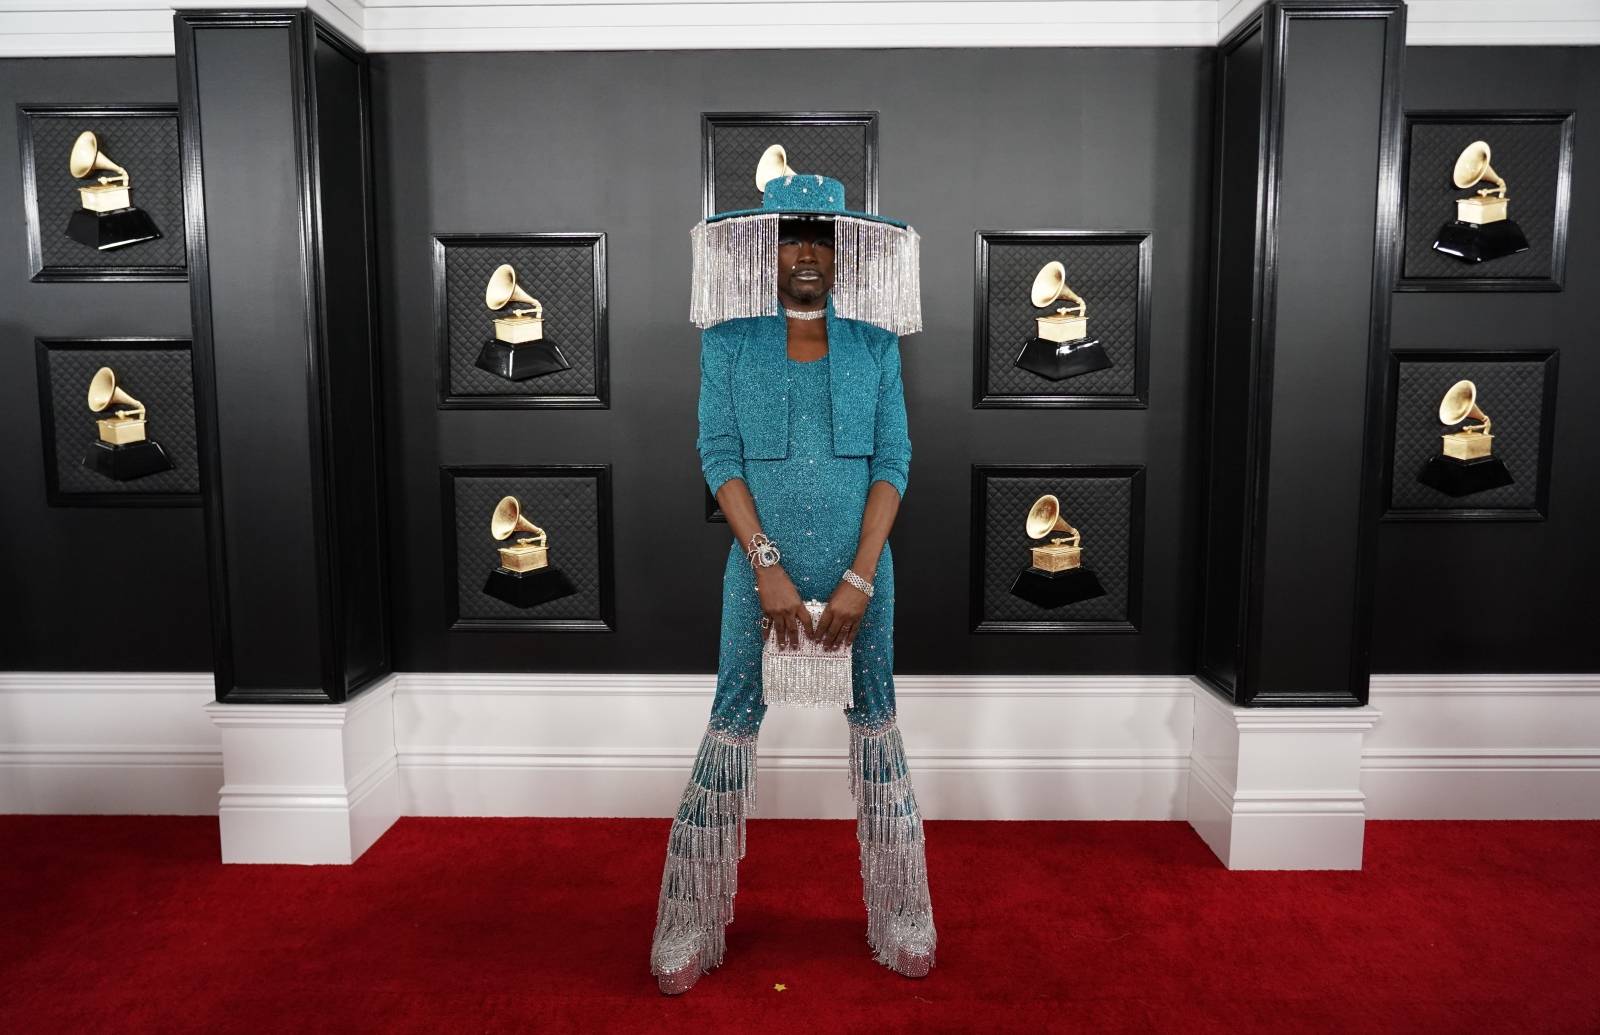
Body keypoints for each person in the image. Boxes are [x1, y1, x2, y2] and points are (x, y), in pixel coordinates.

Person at [648, 146, 936, 995]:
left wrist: (859, 577)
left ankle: (901, 911)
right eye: (791, 236)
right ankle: (690, 918)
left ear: (840, 249)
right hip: (757, 575)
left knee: (878, 727)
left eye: (820, 237)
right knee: (728, 730)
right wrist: (767, 564)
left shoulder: (874, 343)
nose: (806, 251)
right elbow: (718, 452)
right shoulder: (729, 342)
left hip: (863, 578)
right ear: (767, 247)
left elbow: (894, 460)